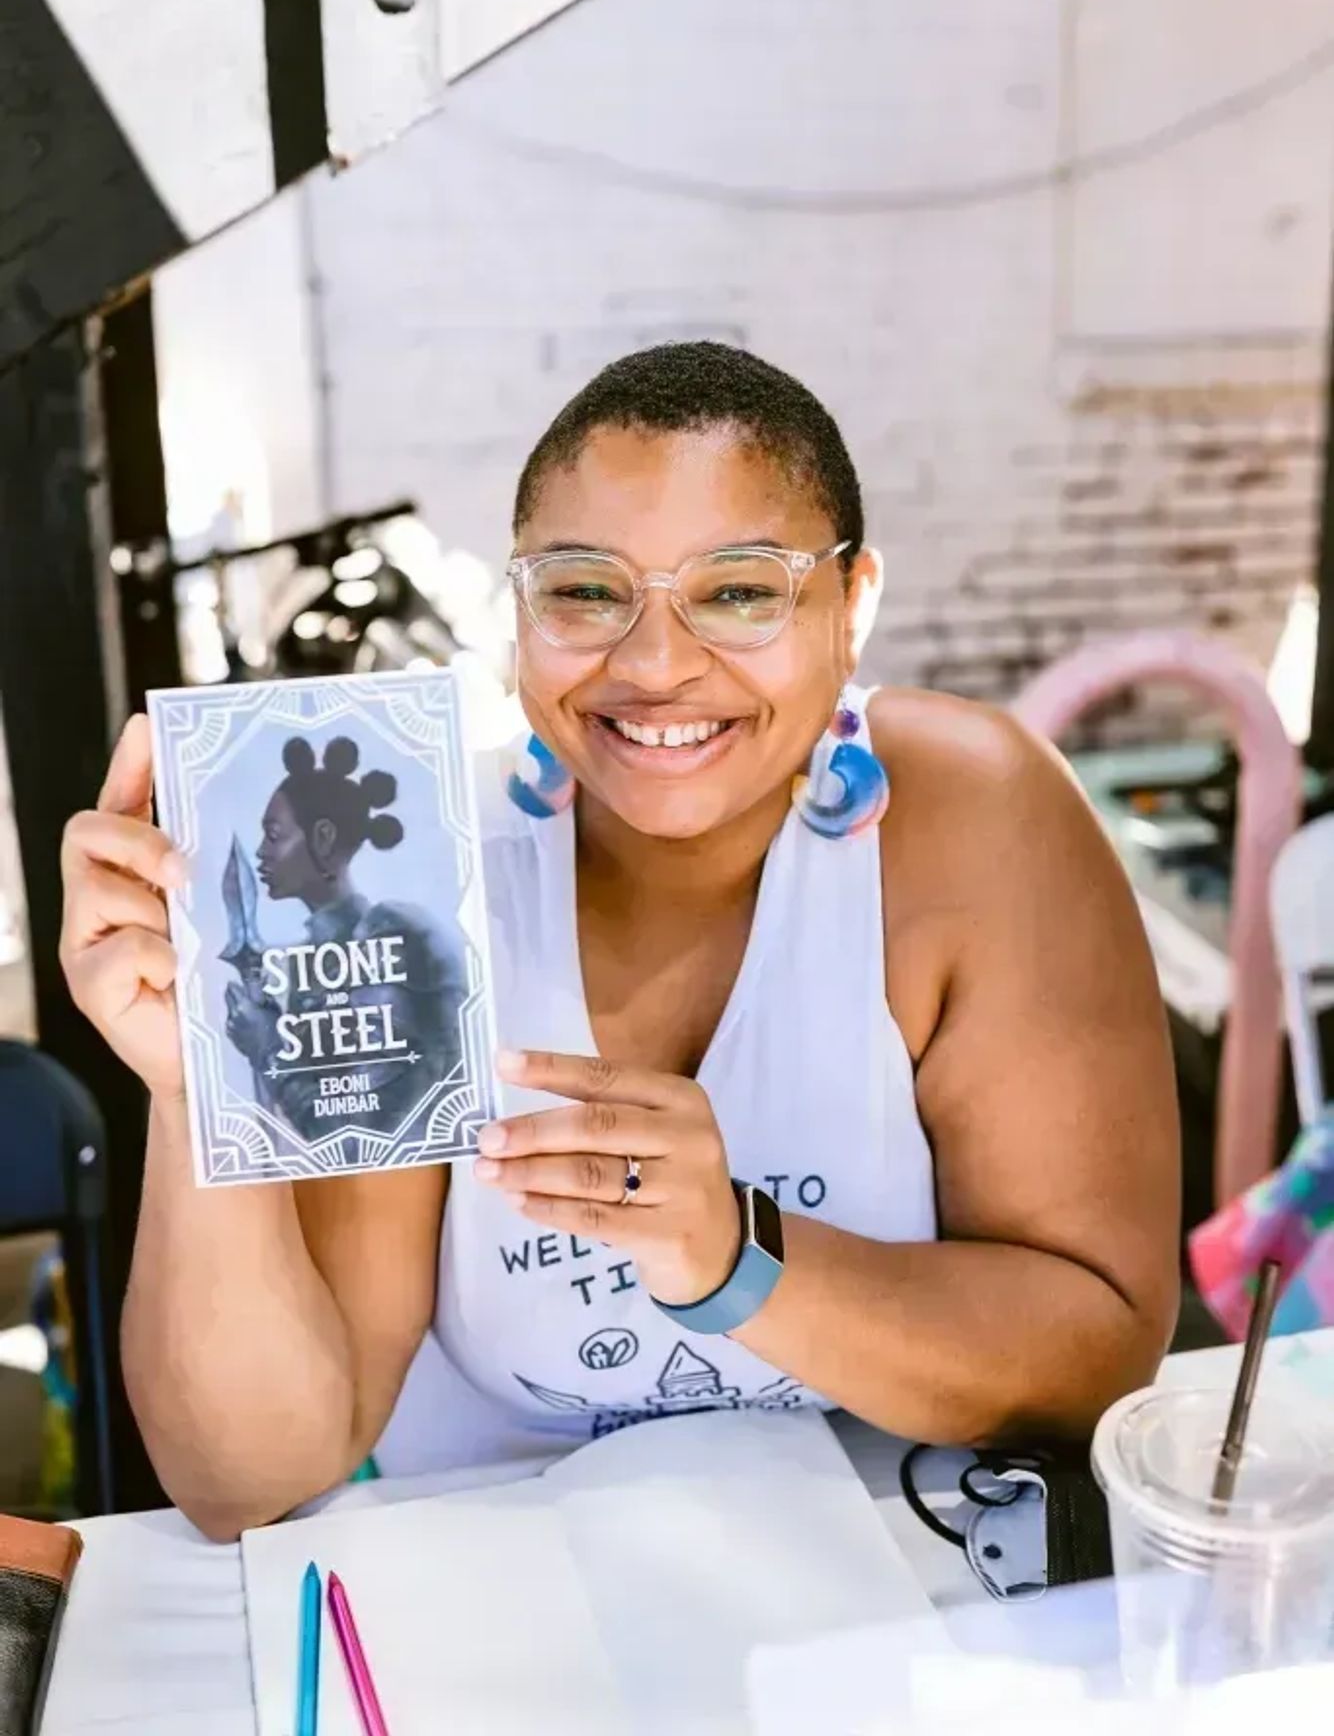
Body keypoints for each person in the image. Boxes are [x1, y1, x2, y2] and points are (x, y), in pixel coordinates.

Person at [60, 342, 1178, 1540]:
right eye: (586, 590)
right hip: (507, 1621)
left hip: (902, 1610)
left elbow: (1095, 1353)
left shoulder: (971, 819)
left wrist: (735, 1257)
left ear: (851, 606)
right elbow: (249, 1476)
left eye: (740, 589)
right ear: (520, 609)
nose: (653, 664)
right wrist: (196, 1093)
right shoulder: (410, 869)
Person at [224, 735, 466, 1140]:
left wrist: (268, 1047)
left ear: (323, 837)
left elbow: (364, 1134)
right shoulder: (309, 962)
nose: (261, 852)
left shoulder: (395, 934)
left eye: (275, 834)